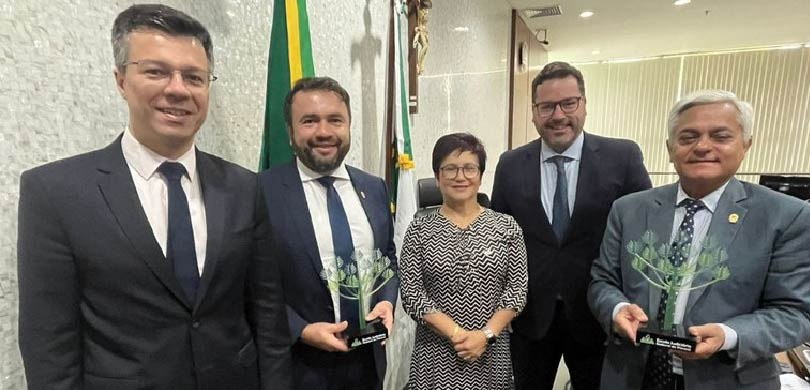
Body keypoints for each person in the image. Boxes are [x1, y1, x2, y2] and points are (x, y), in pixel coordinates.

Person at [16, 4, 291, 390]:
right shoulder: (55, 193)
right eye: (156, 72)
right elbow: (49, 347)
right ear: (121, 81)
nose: (177, 89)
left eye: (194, 77)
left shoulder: (244, 188)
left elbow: (269, 321)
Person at [588, 89, 810, 390]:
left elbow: (795, 313)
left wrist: (728, 334)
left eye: (720, 136)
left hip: (727, 378)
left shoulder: (786, 216)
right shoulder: (629, 209)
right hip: (633, 375)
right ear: (670, 148)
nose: (703, 147)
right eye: (688, 137)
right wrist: (616, 310)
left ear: (746, 144)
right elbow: (602, 281)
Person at [490, 61, 652, 390]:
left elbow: (646, 235)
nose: (559, 115)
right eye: (547, 106)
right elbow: (498, 240)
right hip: (530, 317)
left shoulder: (622, 157)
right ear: (534, 112)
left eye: (569, 103)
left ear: (584, 104)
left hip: (598, 315)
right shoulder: (510, 164)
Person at [258, 76, 399, 390]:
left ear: (348, 126)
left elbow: (386, 257)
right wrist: (301, 330)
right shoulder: (260, 192)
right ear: (290, 132)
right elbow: (248, 283)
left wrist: (387, 302)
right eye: (309, 121)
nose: (324, 132)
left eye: (335, 120)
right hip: (300, 367)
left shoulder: (373, 188)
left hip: (368, 364)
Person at [399, 133, 528, 389]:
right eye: (450, 169)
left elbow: (517, 291)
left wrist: (485, 335)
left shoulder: (506, 227)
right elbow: (412, 294)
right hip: (435, 356)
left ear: (480, 175)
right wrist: (457, 334)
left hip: (491, 355)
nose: (460, 177)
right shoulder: (419, 228)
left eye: (470, 168)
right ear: (437, 176)